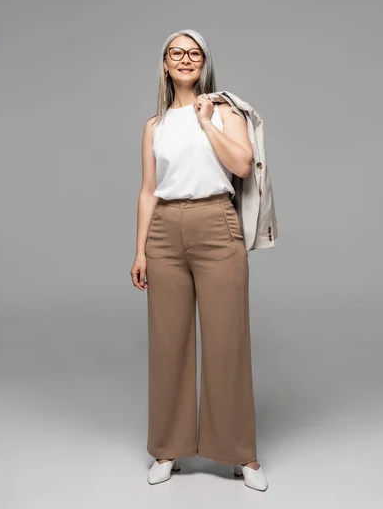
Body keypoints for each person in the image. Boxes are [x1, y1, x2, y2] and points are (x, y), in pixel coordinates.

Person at [130, 29, 268, 491]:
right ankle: (167, 449)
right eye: (177, 53)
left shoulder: (225, 111)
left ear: (204, 62)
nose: (185, 59)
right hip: (166, 232)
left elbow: (243, 165)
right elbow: (148, 191)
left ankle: (241, 453)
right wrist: (139, 249)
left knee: (227, 342)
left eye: (194, 53)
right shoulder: (155, 124)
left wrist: (207, 121)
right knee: (168, 343)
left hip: (216, 224)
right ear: (165, 63)